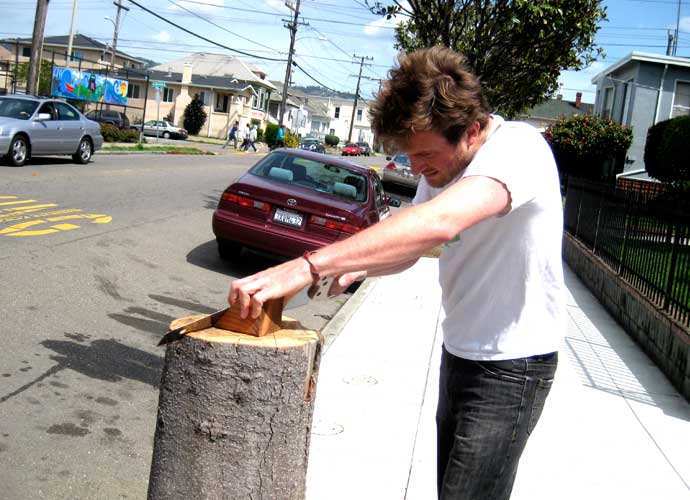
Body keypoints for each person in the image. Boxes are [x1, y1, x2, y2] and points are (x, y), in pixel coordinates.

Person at [228, 46, 565, 500]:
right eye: (409, 156)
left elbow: (439, 222)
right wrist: (351, 268)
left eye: (425, 155)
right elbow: (411, 245)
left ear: (472, 130)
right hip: (462, 350)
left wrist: (307, 265)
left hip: (514, 363)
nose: (416, 168)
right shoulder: (442, 168)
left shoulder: (519, 148)